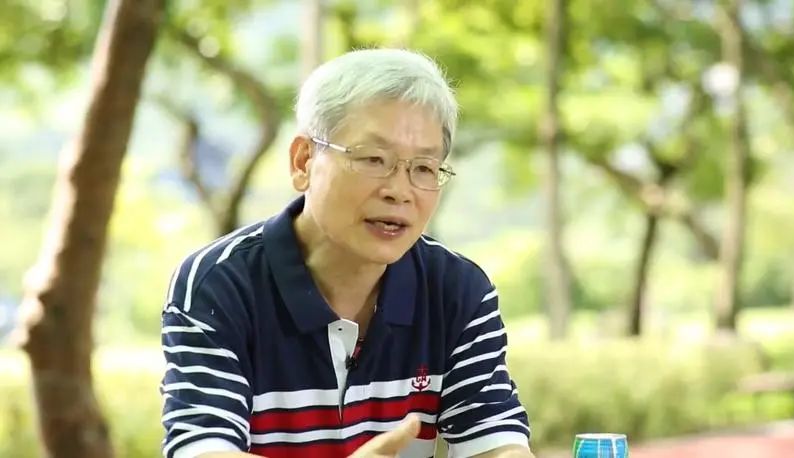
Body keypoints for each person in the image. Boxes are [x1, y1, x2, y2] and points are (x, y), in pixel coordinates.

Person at [160, 48, 533, 458]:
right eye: (374, 159)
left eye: (424, 168)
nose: (399, 191)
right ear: (303, 161)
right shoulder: (219, 284)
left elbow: (496, 443)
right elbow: (204, 450)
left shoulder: (456, 290)